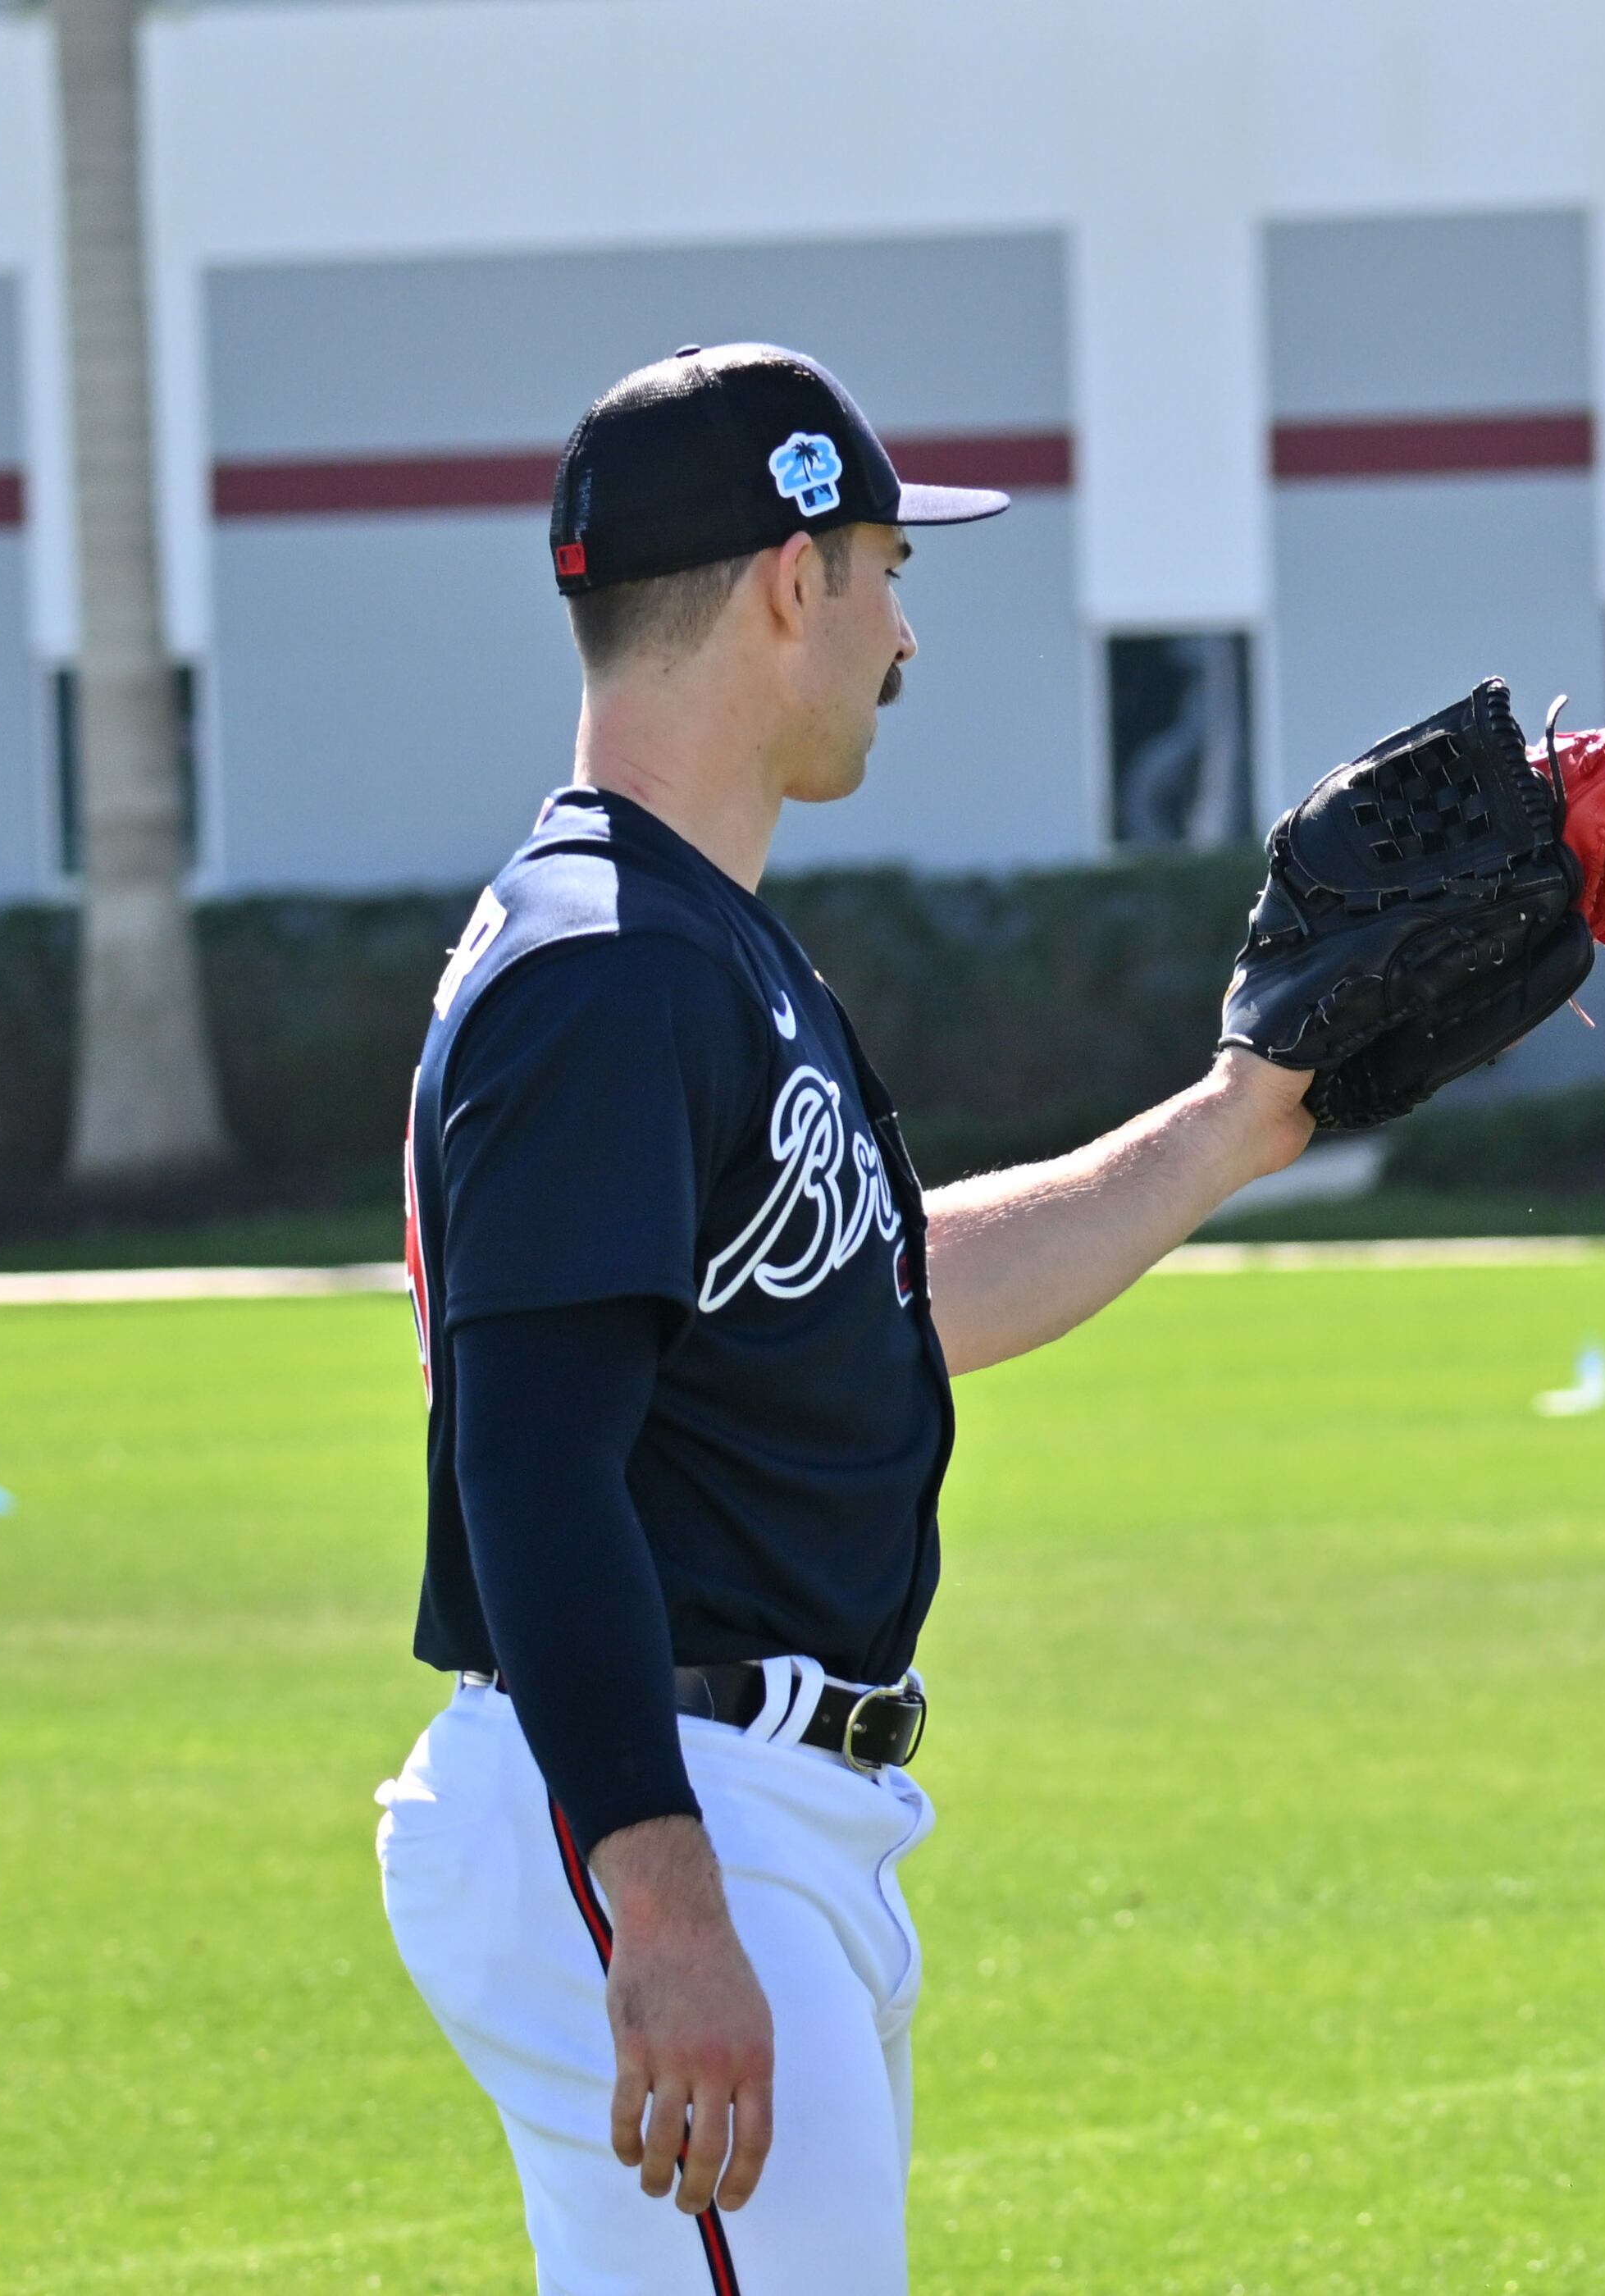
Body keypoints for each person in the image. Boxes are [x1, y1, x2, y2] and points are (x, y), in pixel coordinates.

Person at [377, 344, 1314, 2295]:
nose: (906, 626)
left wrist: (1245, 1119)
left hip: (749, 1794)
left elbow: (877, 1302)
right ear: (789, 578)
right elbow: (525, 1465)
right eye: (886, 565)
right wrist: (664, 1889)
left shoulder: (682, 934)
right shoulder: (607, 969)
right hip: (661, 1791)